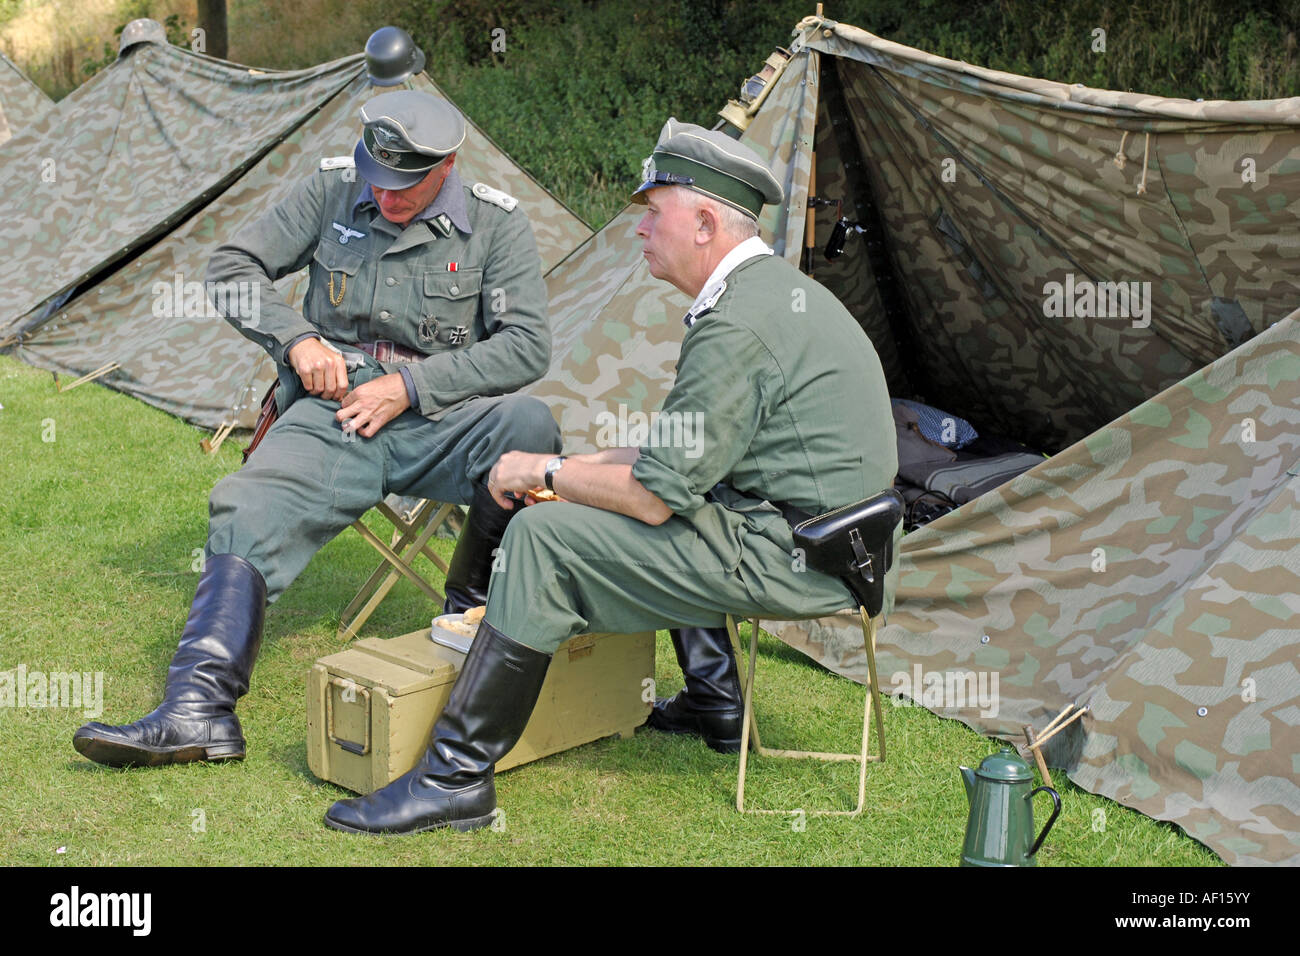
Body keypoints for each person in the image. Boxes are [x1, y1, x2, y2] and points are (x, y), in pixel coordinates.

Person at [322, 118, 898, 835]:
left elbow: (657, 497)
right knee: (590, 486)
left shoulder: (738, 326)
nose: (640, 230)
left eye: (654, 214)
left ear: (705, 223)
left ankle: (455, 777)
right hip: (820, 538)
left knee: (543, 536)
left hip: (798, 558)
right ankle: (716, 704)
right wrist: (569, 468)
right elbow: (676, 461)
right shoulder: (764, 295)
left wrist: (549, 473)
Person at [72, 89, 561, 768]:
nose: (385, 196)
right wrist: (297, 337)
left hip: (444, 418)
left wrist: (411, 386)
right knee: (246, 504)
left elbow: (526, 346)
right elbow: (230, 268)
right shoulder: (333, 190)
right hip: (337, 415)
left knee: (530, 422)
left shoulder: (496, 225)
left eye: (405, 184)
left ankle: (467, 631)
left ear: (446, 165)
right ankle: (198, 710)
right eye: (378, 178)